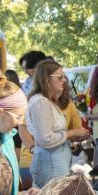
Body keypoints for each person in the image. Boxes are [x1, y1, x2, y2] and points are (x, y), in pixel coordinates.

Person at [26, 60, 88, 188]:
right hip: (51, 169)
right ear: (46, 79)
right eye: (60, 77)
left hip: (56, 167)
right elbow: (46, 139)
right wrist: (73, 132)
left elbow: (54, 134)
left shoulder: (49, 102)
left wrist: (72, 137)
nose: (64, 80)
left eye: (64, 76)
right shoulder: (40, 102)